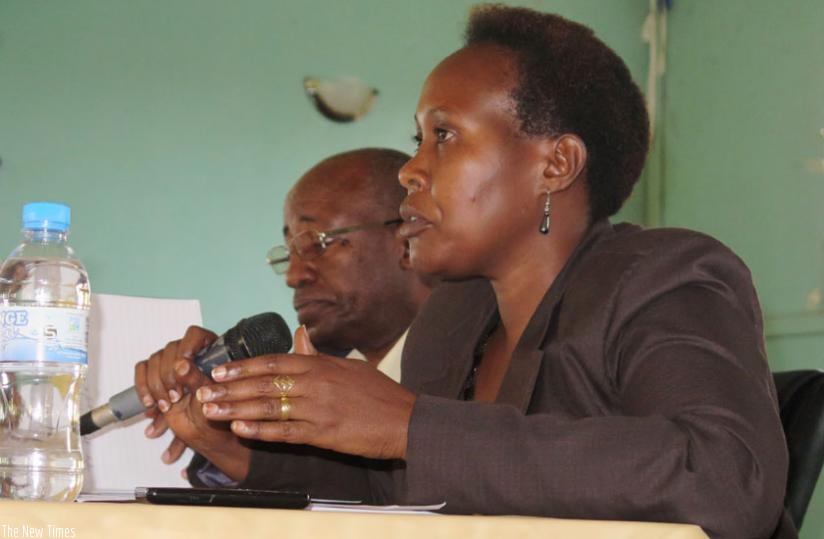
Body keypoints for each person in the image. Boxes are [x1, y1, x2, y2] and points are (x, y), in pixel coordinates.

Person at [161, 6, 793, 538]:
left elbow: (725, 478)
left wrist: (408, 423)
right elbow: (405, 486)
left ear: (556, 165)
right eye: (417, 140)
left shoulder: (662, 276)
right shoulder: (455, 319)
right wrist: (236, 444)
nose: (411, 170)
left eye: (445, 135)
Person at [135, 148, 432, 488]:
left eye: (317, 244)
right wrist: (213, 428)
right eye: (289, 252)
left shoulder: (467, 381)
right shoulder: (307, 385)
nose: (293, 275)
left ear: (408, 243)